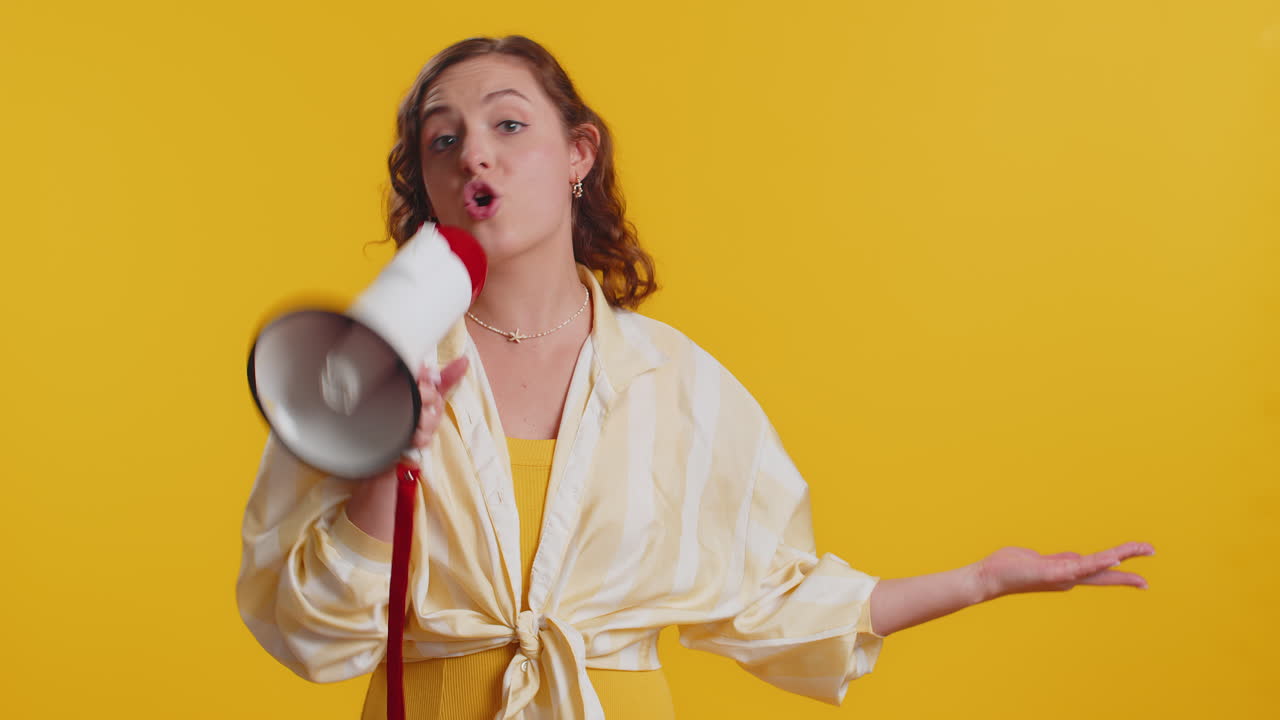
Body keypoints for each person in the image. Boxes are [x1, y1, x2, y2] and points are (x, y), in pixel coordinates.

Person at [236, 35, 1155, 720]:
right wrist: (381, 457)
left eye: (509, 124)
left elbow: (775, 602)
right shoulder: (360, 370)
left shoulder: (679, 384)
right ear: (431, 182)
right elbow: (310, 628)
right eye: (445, 140)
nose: (476, 152)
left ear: (577, 155)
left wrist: (980, 582)